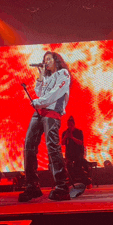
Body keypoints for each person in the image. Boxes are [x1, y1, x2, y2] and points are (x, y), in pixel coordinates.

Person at [18, 51, 71, 202]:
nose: (45, 62)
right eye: (44, 59)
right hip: (39, 112)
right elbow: (40, 93)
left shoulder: (63, 74)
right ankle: (32, 185)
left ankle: (62, 186)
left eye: (48, 59)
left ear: (56, 60)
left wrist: (39, 102)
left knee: (52, 146)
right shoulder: (47, 77)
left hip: (52, 112)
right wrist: (40, 78)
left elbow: (55, 93)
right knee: (29, 145)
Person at [62, 116, 91, 186]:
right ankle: (71, 181)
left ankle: (87, 182)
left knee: (77, 168)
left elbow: (81, 142)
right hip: (69, 154)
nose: (70, 126)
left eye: (71, 125)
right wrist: (66, 136)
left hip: (78, 153)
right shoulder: (65, 133)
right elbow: (62, 143)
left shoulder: (79, 132)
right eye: (68, 125)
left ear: (74, 124)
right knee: (68, 167)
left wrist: (72, 137)